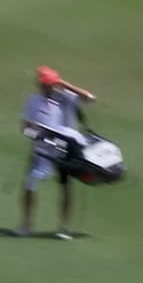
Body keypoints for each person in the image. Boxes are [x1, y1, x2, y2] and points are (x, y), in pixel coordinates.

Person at [15, 66, 88, 240]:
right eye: (44, 85)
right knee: (29, 185)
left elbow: (89, 98)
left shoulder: (67, 98)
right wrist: (37, 135)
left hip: (65, 149)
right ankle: (26, 226)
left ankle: (64, 228)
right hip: (42, 150)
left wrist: (65, 84)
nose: (47, 88)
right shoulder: (33, 100)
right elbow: (25, 128)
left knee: (65, 187)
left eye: (50, 85)